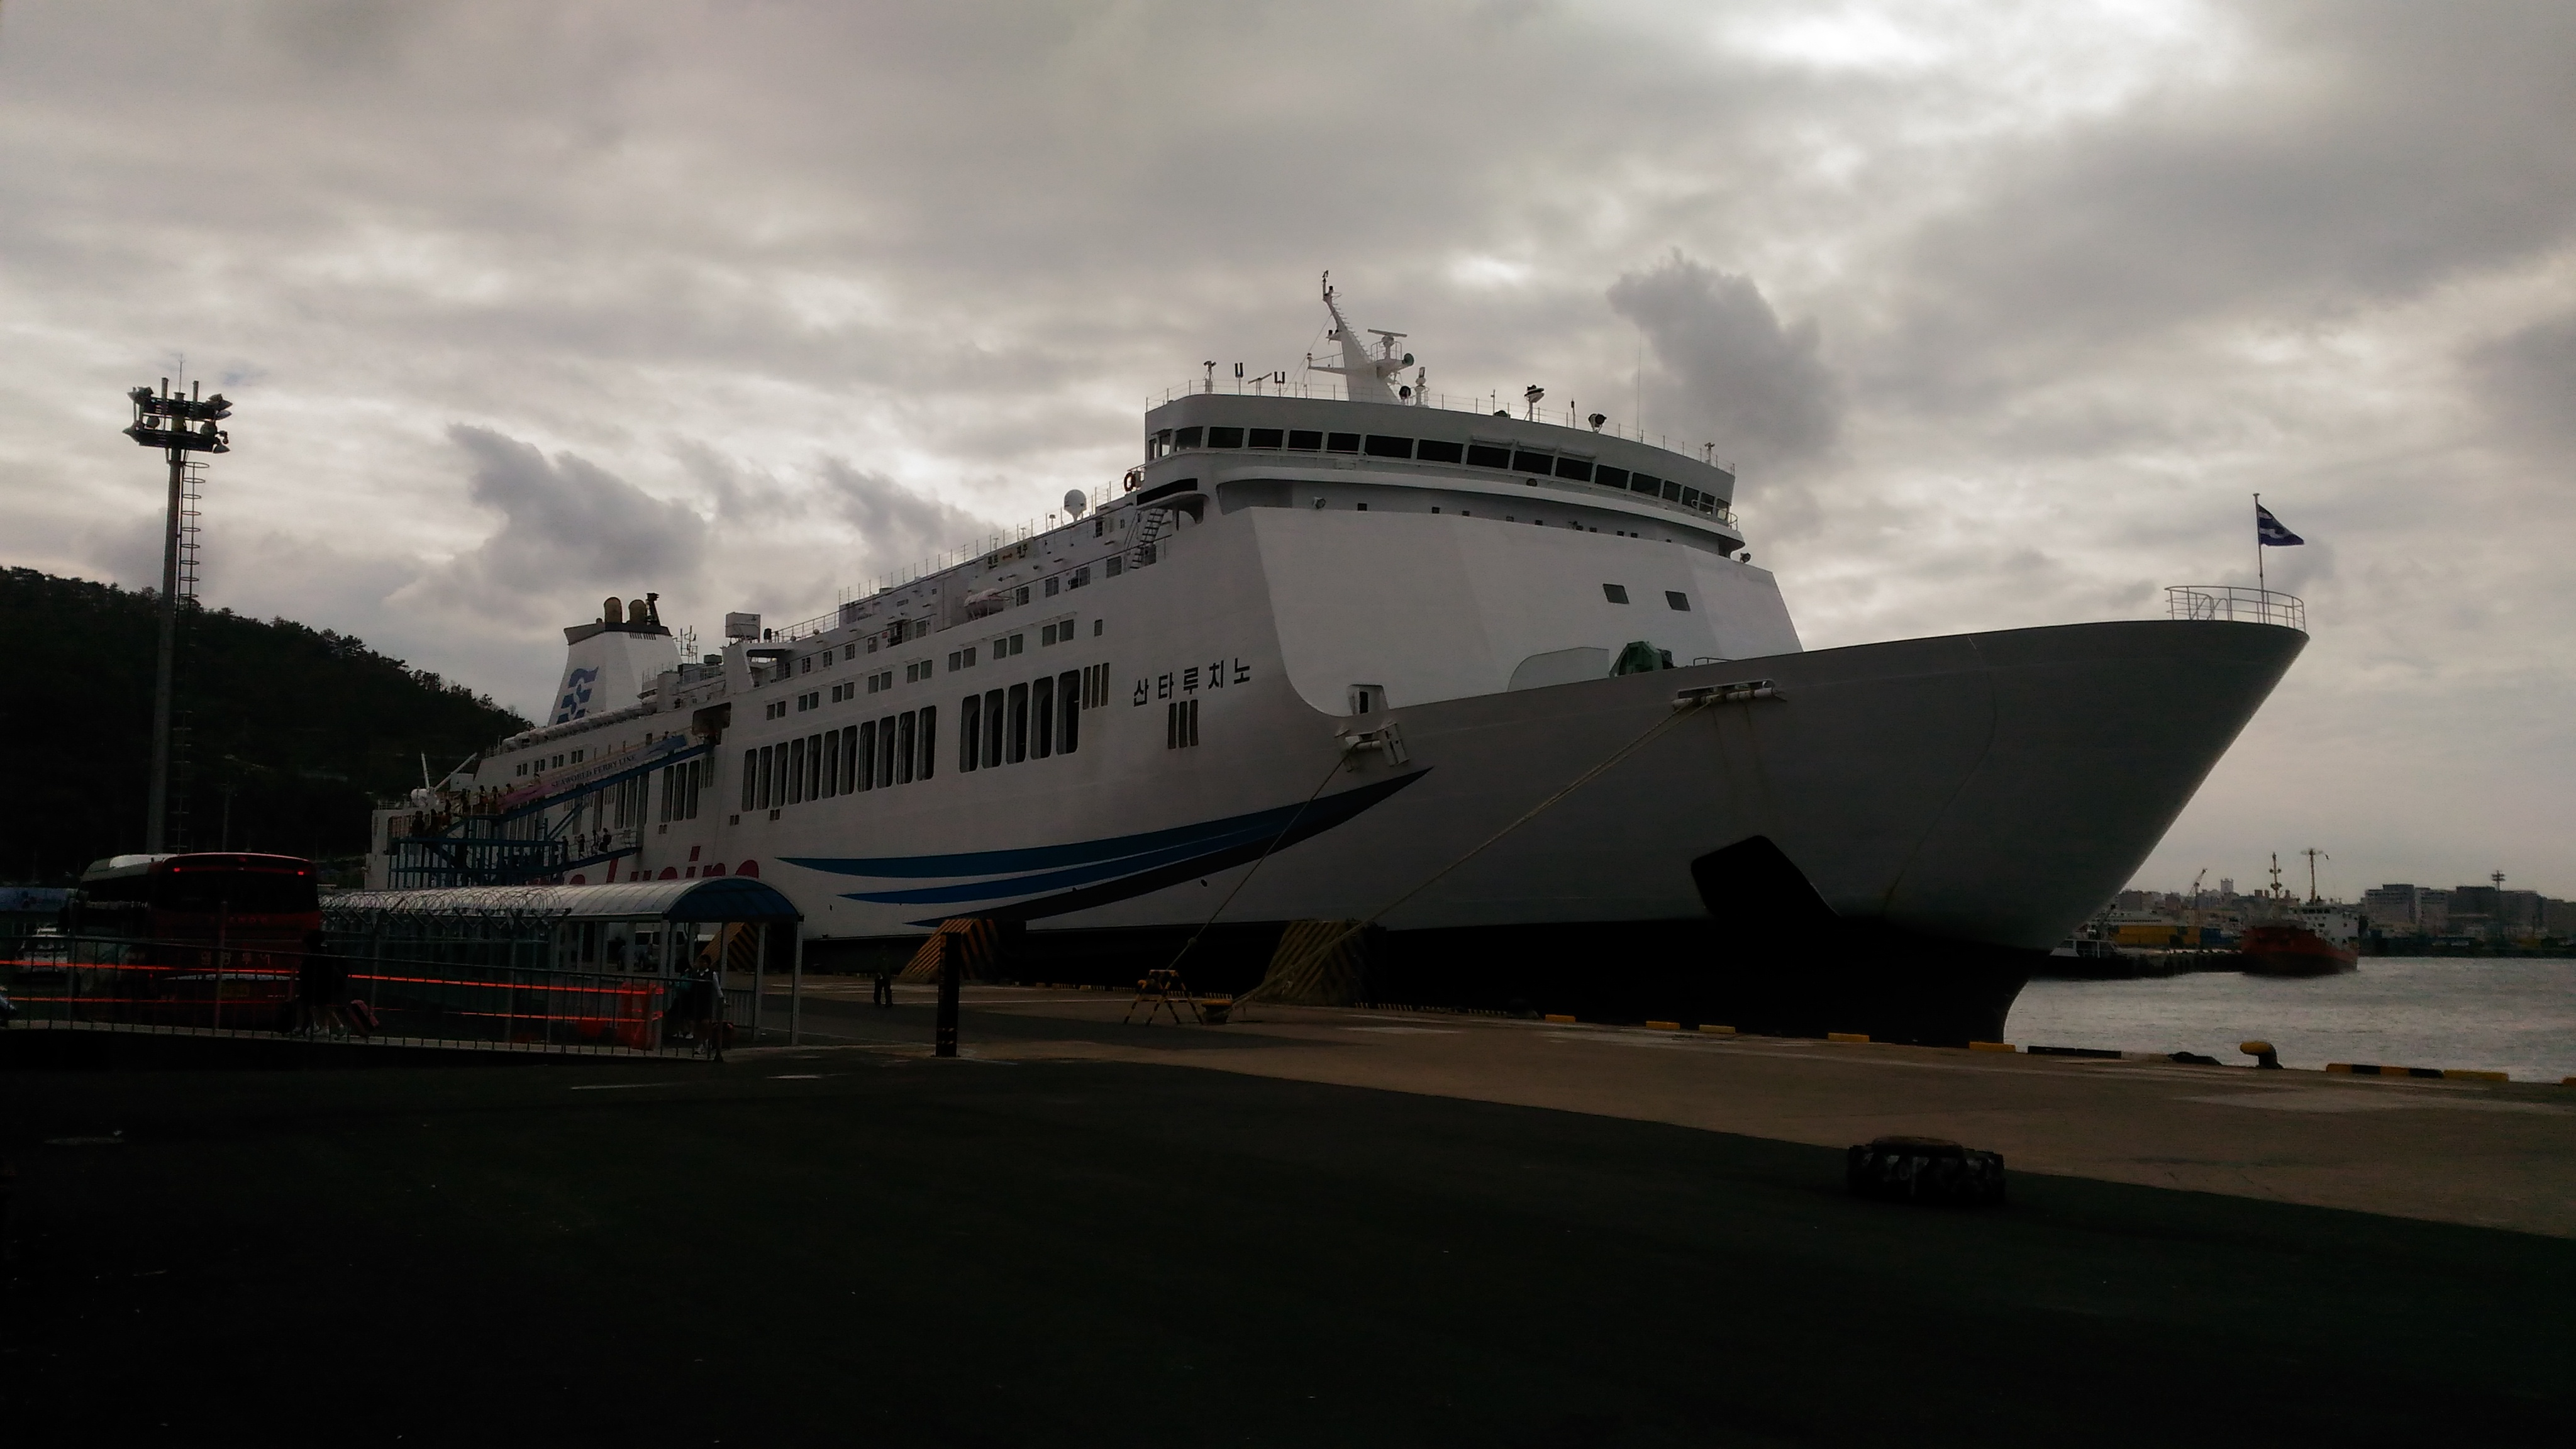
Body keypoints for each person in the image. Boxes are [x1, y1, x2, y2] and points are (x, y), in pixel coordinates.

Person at [295, 931, 350, 1038]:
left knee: (306, 1004)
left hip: (318, 985)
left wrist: (301, 972)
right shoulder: (325, 953)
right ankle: (330, 1027)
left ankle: (303, 1028)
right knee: (322, 1006)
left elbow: (308, 972)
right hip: (326, 985)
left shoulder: (315, 955)